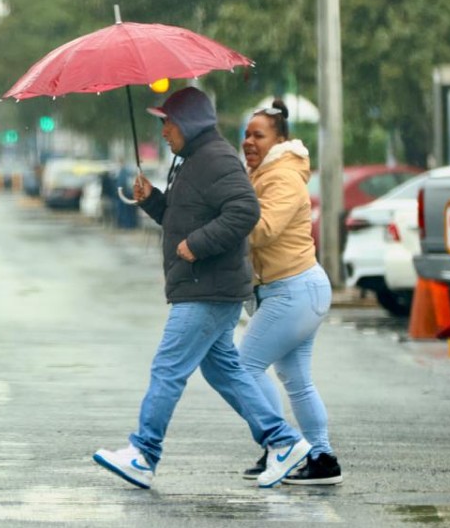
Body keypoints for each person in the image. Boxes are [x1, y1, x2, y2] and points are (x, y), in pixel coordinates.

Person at [92, 86, 311, 489]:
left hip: (207, 288)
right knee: (224, 371)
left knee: (168, 368)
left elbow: (245, 210)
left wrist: (197, 245)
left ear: (189, 122)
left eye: (168, 123)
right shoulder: (194, 159)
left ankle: (143, 452)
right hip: (205, 286)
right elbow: (186, 218)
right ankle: (283, 442)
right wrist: (153, 201)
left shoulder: (214, 158)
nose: (164, 132)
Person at [237, 99, 341, 485]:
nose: (249, 141)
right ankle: (322, 458)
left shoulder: (281, 177)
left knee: (244, 367)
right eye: (246, 134)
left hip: (294, 290)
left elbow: (262, 230)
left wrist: (223, 224)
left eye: (258, 135)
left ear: (279, 140)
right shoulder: (264, 173)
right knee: (296, 381)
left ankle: (283, 445)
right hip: (296, 290)